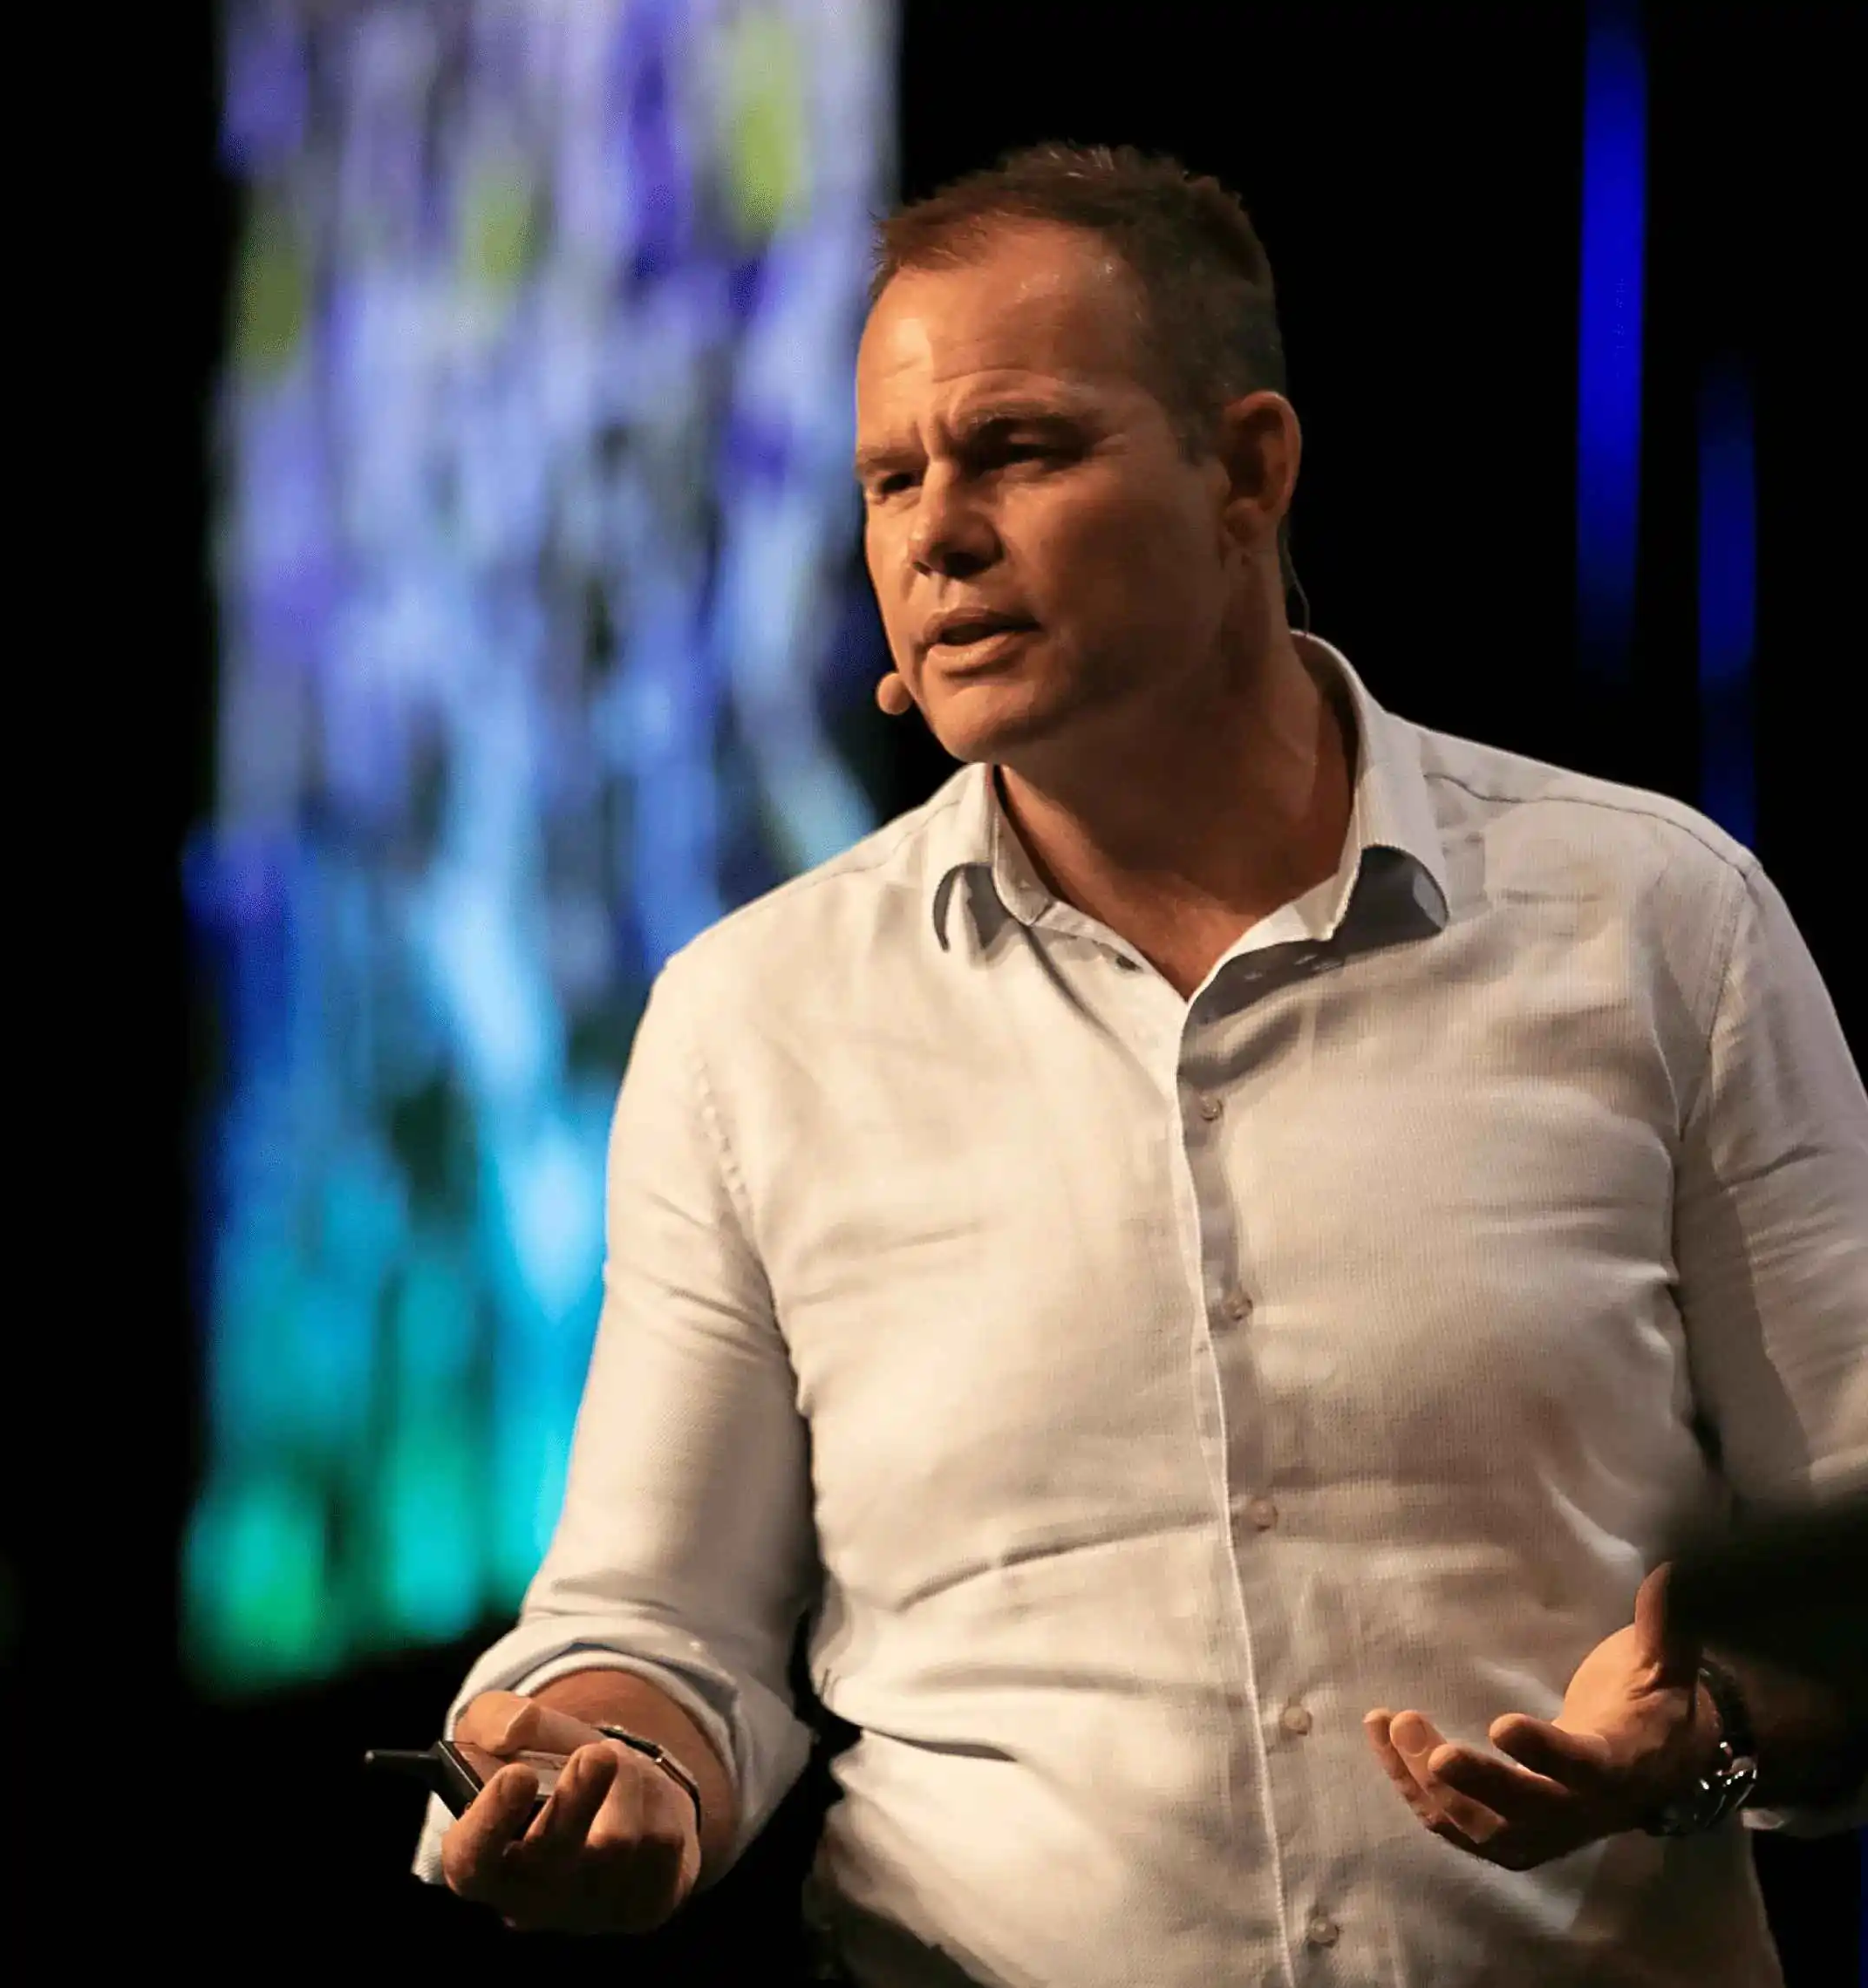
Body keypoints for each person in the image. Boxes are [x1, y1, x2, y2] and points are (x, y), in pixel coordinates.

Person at [412, 145, 1868, 1984]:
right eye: (889, 479)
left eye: (1018, 450)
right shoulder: (753, 1019)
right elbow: (656, 1622)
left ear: (1248, 468)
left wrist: (1706, 1732)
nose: (936, 533)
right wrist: (615, 1767)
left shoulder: (1659, 920)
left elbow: (1854, 1557)